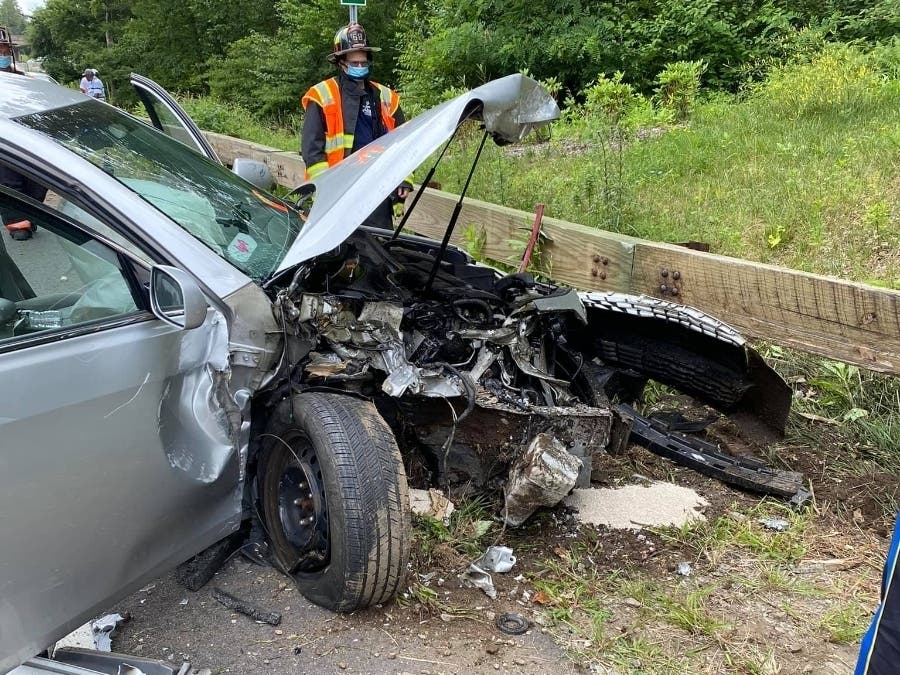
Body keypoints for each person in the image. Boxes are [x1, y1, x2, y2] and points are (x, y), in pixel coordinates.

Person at [300, 23, 410, 228]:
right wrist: (325, 189)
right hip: (338, 191)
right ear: (340, 62)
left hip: (377, 188)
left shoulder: (386, 97)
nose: (360, 67)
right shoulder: (322, 95)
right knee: (337, 254)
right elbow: (312, 151)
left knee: (376, 253)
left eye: (363, 62)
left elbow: (404, 143)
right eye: (354, 63)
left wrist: (403, 179)